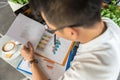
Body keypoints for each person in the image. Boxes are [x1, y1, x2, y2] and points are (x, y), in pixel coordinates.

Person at [20, 0, 120, 80]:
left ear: (71, 32)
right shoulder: (107, 23)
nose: (53, 33)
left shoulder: (85, 73)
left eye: (51, 28)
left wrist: (31, 60)